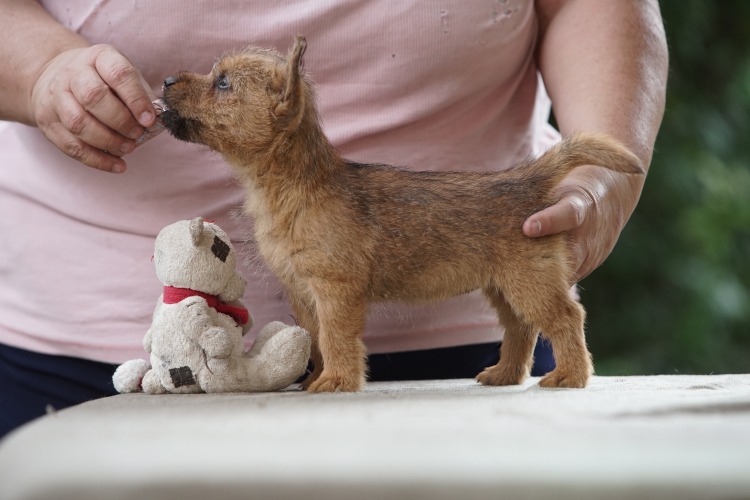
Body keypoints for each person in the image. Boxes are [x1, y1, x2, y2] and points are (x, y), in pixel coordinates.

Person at [0, 0, 668, 437]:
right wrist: (41, 69)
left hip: (459, 378)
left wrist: (600, 167)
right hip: (80, 350)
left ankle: (548, 359)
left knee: (517, 291)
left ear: (284, 106)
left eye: (221, 86)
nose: (192, 87)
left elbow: (338, 280)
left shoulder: (317, 202)